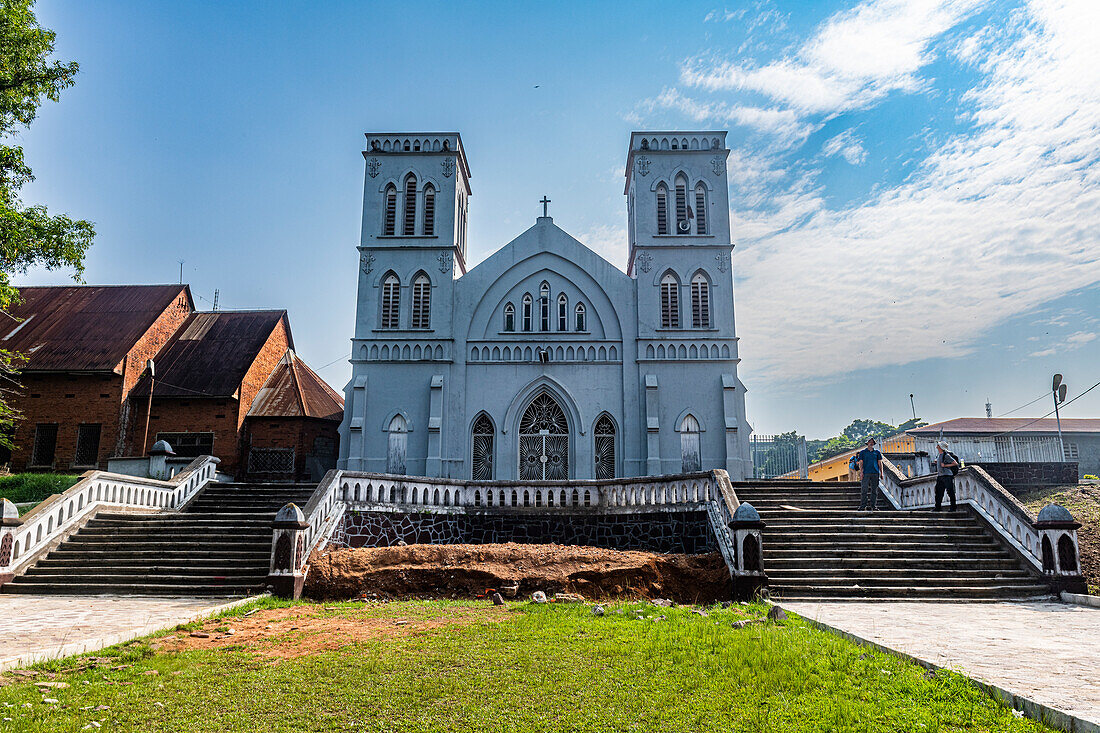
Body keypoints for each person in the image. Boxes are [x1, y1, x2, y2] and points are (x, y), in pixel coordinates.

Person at [856, 437, 883, 511]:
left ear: (873, 443)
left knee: (874, 490)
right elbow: (861, 463)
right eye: (869, 442)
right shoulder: (862, 452)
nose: (871, 443)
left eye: (872, 442)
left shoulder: (877, 452)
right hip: (866, 473)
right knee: (864, 490)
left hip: (875, 472)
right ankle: (863, 506)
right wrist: (861, 472)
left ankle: (873, 506)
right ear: (867, 443)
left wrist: (881, 473)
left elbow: (880, 463)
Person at [934, 441, 959, 512]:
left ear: (940, 447)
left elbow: (955, 463)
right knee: (938, 492)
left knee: (950, 492)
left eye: (938, 446)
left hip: (947, 476)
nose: (936, 447)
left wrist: (945, 465)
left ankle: (953, 508)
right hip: (941, 476)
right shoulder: (939, 455)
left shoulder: (946, 455)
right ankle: (938, 507)